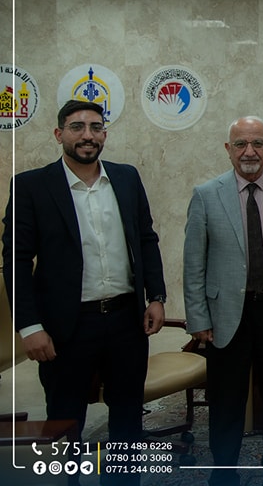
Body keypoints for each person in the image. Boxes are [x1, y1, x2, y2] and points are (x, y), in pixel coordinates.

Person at [1, 100, 166, 484]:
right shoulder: (30, 187)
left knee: (127, 419)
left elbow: (146, 239)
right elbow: (16, 261)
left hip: (126, 321)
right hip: (66, 327)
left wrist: (156, 296)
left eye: (95, 127)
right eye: (77, 127)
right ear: (59, 134)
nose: (87, 135)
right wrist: (29, 326)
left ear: (104, 134)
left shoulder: (126, 178)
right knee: (66, 421)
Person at [182, 116, 263, 486]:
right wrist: (198, 318)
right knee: (226, 403)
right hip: (226, 314)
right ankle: (224, 474)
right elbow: (193, 265)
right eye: (240, 144)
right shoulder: (206, 194)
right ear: (228, 149)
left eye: (258, 143)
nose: (249, 152)